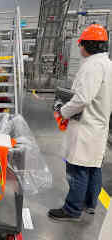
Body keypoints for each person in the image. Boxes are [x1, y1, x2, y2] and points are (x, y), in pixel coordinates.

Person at [48, 24, 112, 221]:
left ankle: (72, 209)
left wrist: (63, 111)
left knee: (77, 168)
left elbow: (83, 98)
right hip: (98, 123)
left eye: (81, 44)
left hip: (86, 125)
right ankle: (89, 204)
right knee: (93, 166)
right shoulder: (107, 64)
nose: (80, 48)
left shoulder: (93, 66)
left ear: (88, 45)